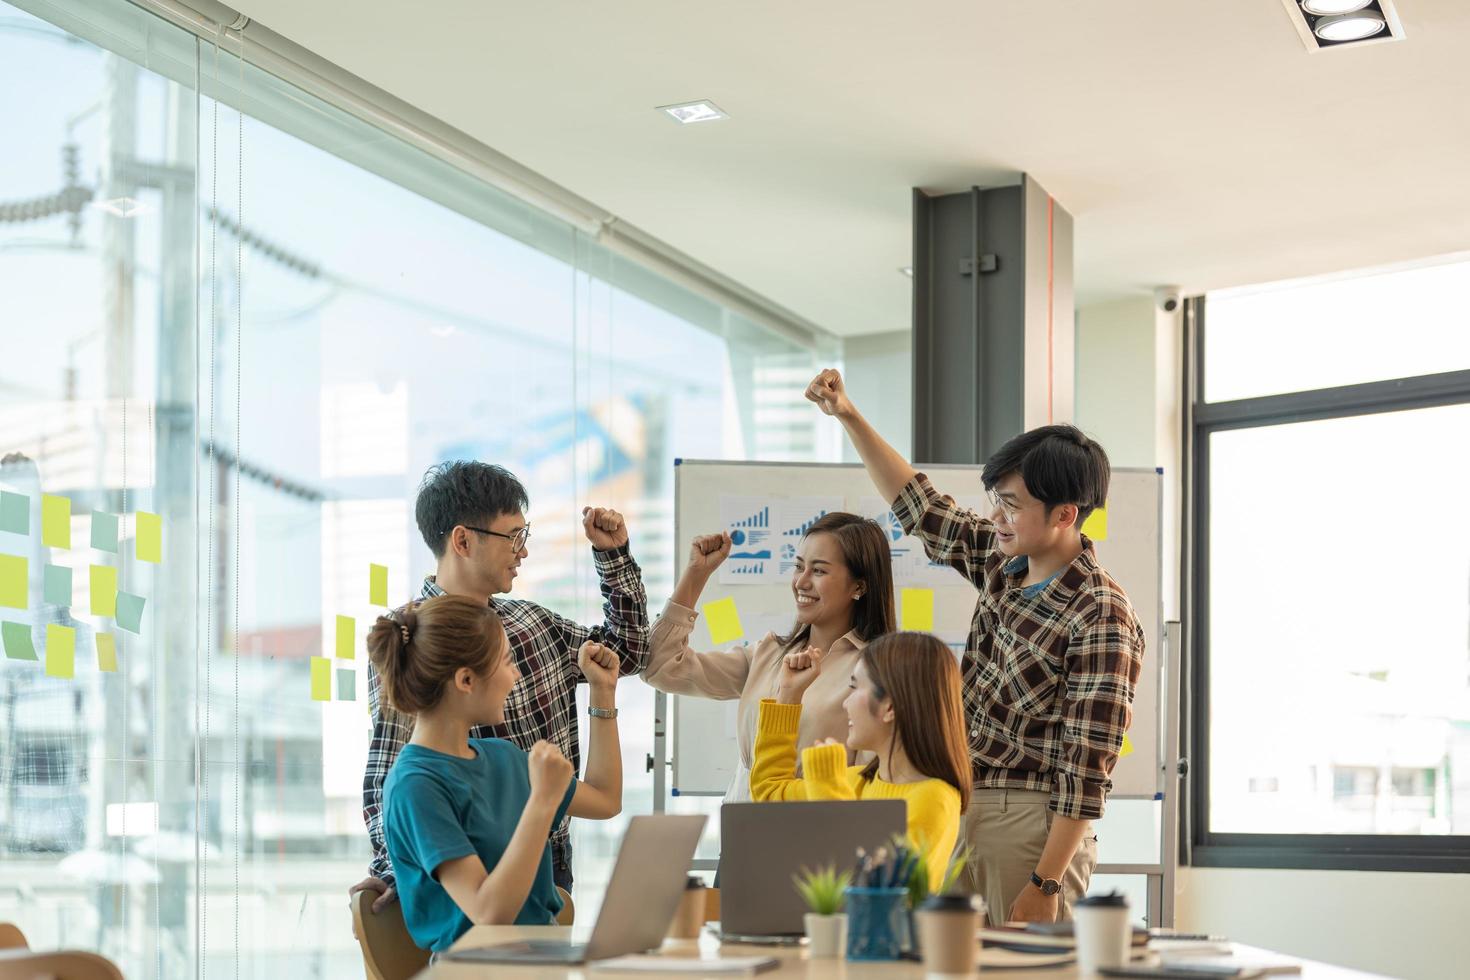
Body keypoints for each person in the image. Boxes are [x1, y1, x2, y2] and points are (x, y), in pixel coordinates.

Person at [804, 368, 1144, 925]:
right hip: (958, 803)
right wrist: (848, 415)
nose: (996, 518)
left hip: (1031, 828)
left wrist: (1046, 879)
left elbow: (1086, 769)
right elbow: (920, 507)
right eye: (996, 501)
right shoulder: (1003, 563)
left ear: (1065, 515)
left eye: (1011, 506)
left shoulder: (1100, 613)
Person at [353, 461, 649, 913]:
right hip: (465, 860)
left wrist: (613, 559)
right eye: (513, 537)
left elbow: (625, 653)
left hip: (549, 854)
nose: (522, 551)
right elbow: (388, 774)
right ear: (463, 540)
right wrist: (396, 869)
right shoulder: (412, 639)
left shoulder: (530, 622)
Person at [367, 595, 624, 953]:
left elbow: (606, 798)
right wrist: (542, 802)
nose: (515, 675)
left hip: (540, 961)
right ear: (466, 679)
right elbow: (489, 913)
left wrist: (603, 690)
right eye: (507, 661)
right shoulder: (415, 785)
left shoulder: (505, 757)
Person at [642, 512, 895, 801]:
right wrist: (696, 575)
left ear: (859, 587)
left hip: (817, 831)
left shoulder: (876, 671)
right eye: (798, 566)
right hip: (743, 829)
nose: (801, 582)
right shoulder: (768, 654)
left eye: (819, 571)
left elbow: (871, 787)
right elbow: (659, 668)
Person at [749, 631, 968, 891]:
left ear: (889, 708)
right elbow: (769, 792)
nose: (845, 702)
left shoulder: (935, 798)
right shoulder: (856, 781)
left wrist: (828, 785)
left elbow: (873, 887)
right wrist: (789, 694)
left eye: (854, 688)